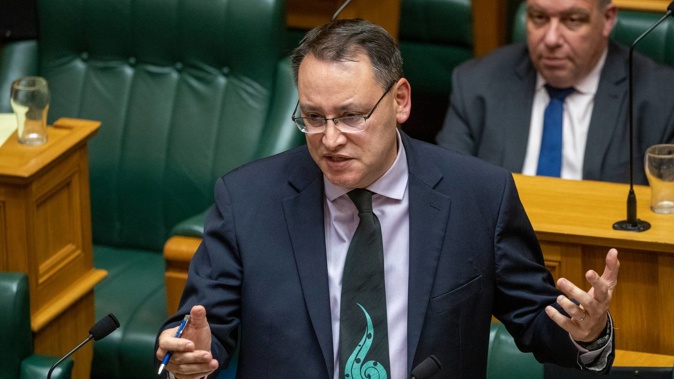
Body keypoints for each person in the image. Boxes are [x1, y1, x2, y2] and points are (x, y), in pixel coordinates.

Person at [155, 18, 620, 379]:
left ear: (400, 101)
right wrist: (184, 358)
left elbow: (538, 325)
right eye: (313, 117)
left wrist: (587, 333)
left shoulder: (478, 196)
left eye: (351, 116)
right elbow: (197, 331)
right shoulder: (247, 199)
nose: (331, 139)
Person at [436, 0, 674, 185]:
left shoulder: (661, 97)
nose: (550, 39)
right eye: (538, 17)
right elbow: (445, 190)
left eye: (572, 20)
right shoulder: (476, 83)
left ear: (608, 19)